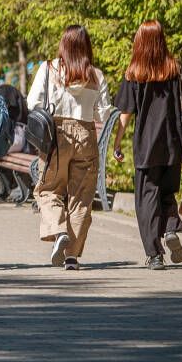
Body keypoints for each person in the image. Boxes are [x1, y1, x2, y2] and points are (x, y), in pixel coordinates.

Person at [113, 20, 182, 269]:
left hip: (146, 146)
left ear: (139, 42)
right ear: (162, 40)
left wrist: (117, 142)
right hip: (172, 144)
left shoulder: (134, 73)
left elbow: (126, 113)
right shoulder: (176, 69)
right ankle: (170, 228)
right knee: (167, 192)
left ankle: (154, 255)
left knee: (146, 198)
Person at [26, 25, 114, 270]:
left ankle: (58, 230)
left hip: (55, 136)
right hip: (85, 135)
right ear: (87, 47)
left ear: (63, 44)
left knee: (48, 189)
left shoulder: (49, 68)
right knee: (82, 197)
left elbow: (32, 102)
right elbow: (103, 114)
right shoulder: (95, 74)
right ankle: (72, 257)